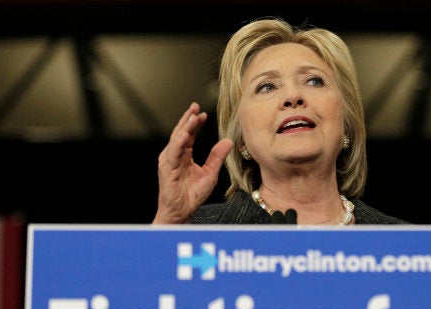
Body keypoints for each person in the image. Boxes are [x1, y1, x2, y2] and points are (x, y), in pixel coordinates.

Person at [152, 17, 407, 226]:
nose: (292, 96)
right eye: (266, 87)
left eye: (314, 81)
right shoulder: (196, 232)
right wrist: (169, 222)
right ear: (240, 138)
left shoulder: (409, 242)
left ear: (347, 122)